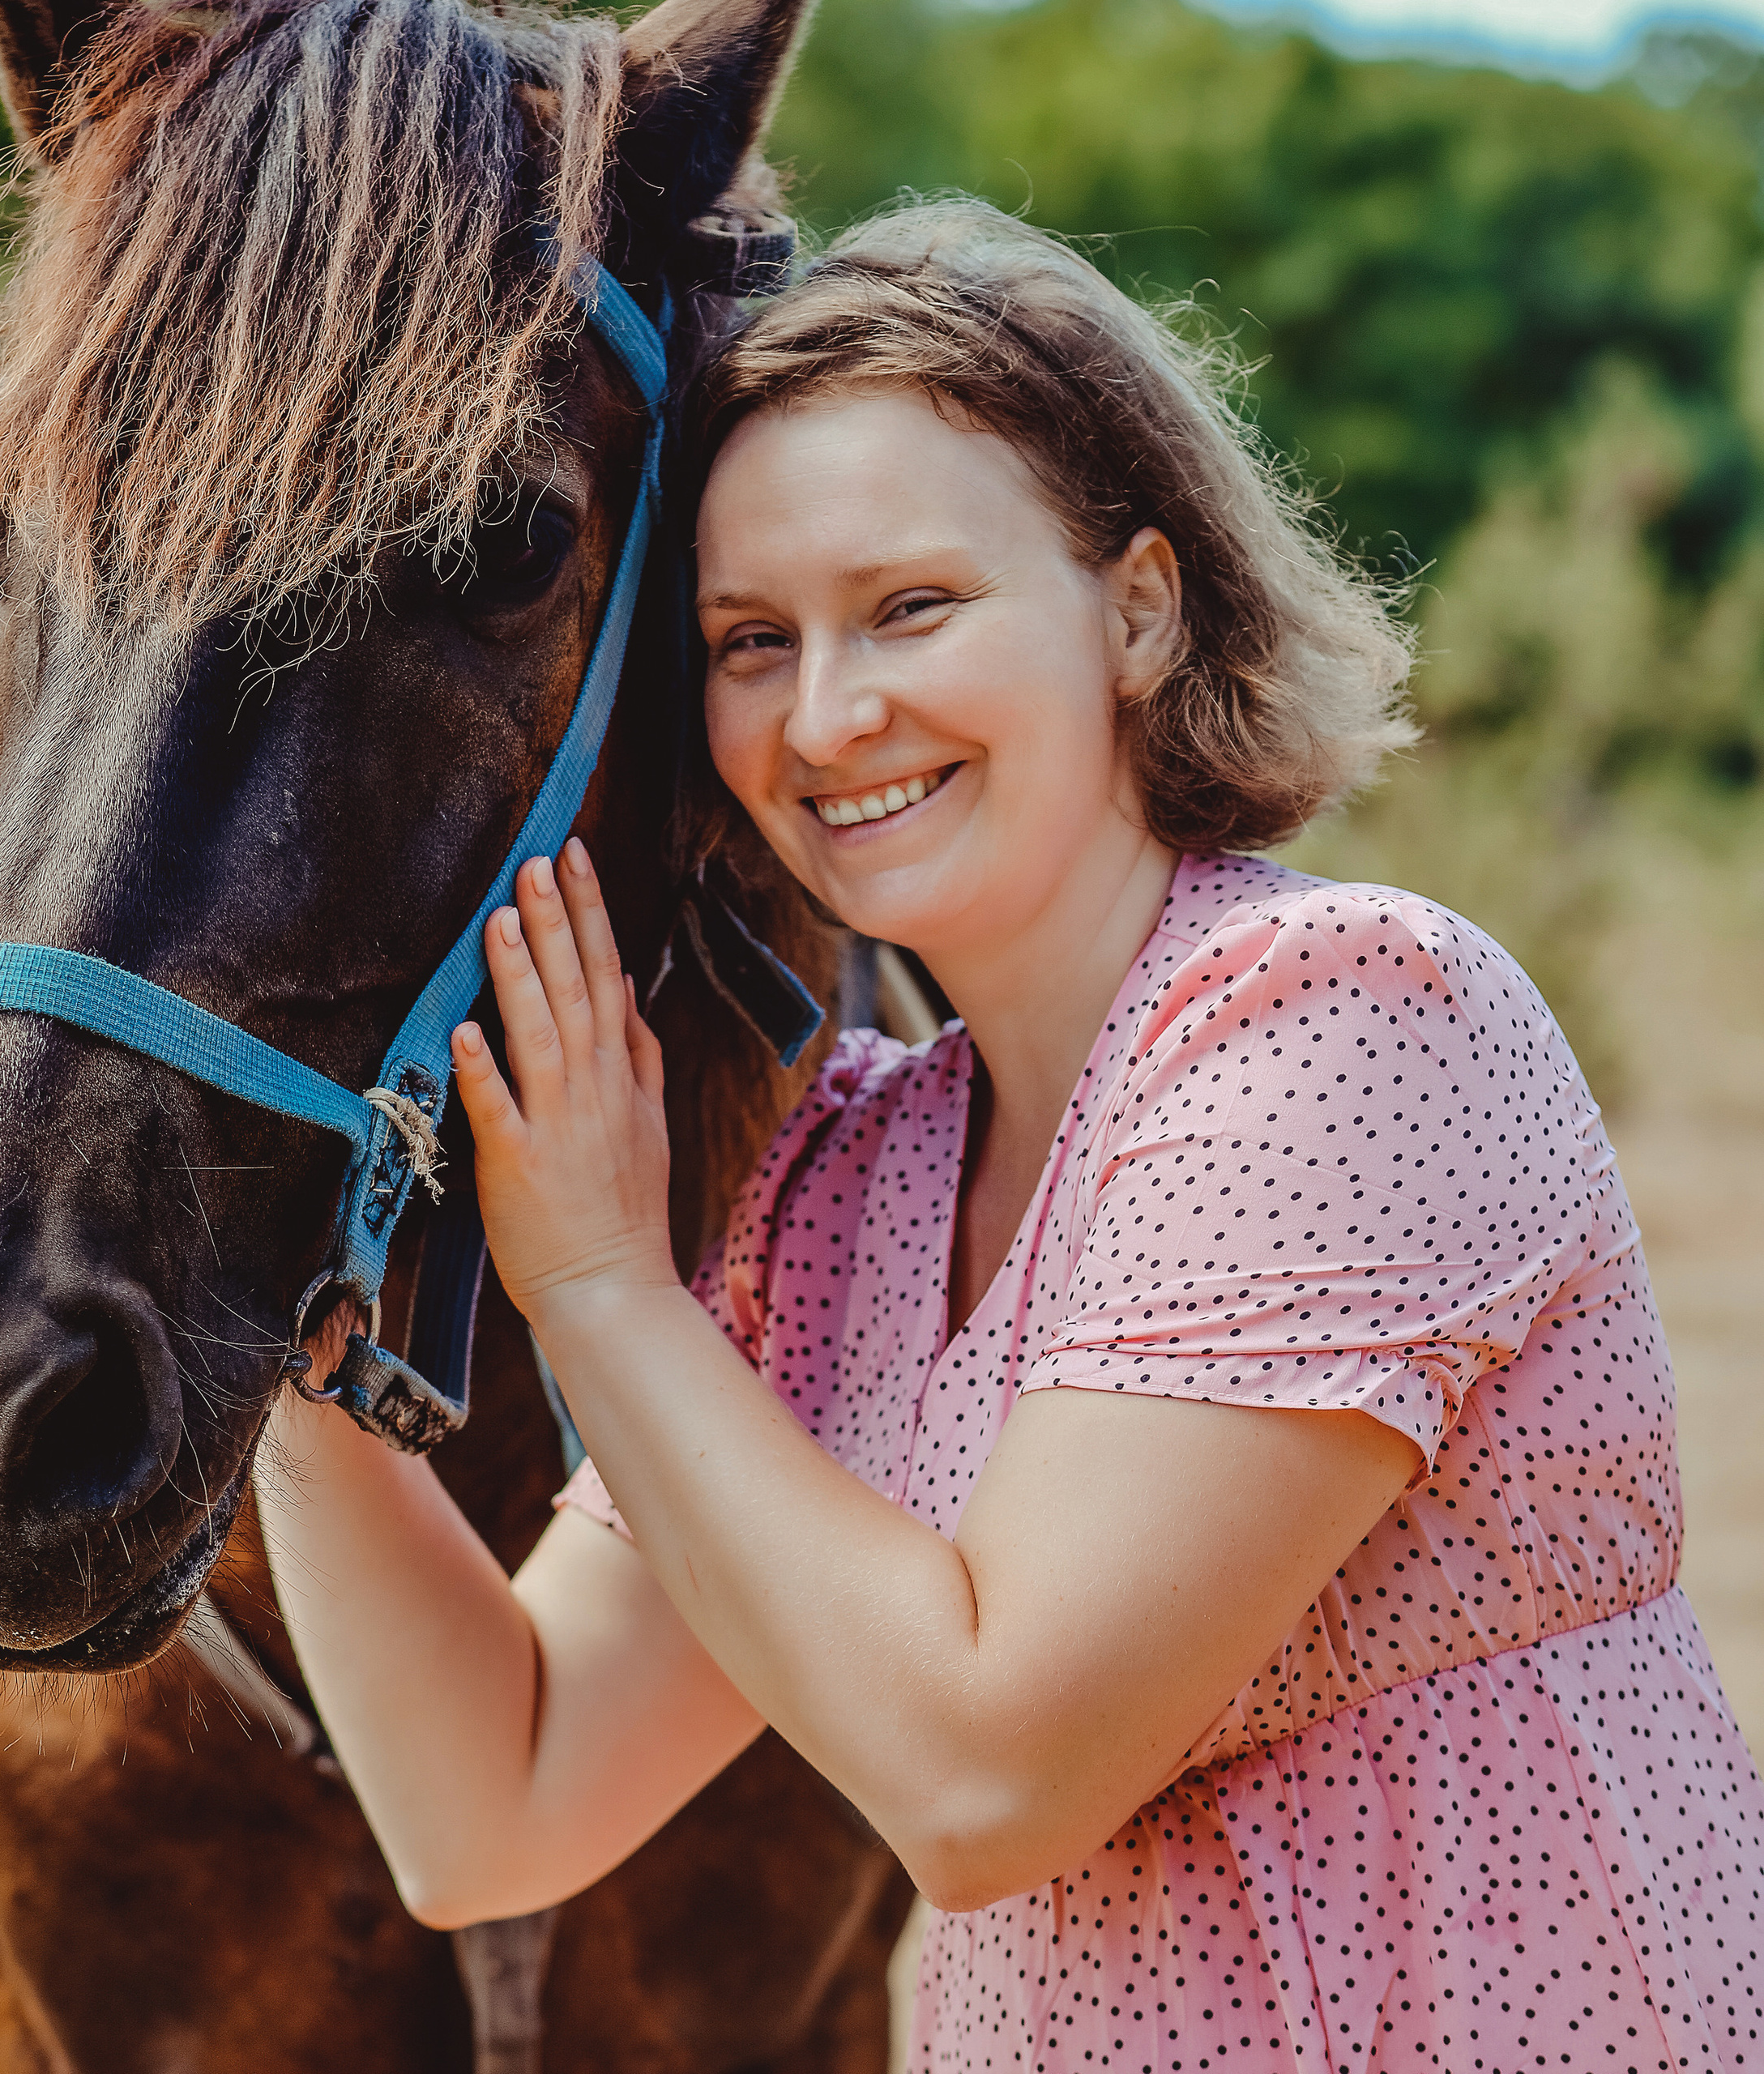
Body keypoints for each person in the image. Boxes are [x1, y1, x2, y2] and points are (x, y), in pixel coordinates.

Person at [259, 199, 1764, 2070]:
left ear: (1137, 607)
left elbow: (986, 1775)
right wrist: (279, 1331)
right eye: (748, 639)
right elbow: (491, 1800)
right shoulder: (849, 1182)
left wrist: (593, 1280)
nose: (827, 715)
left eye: (909, 606)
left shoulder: (1347, 1021)